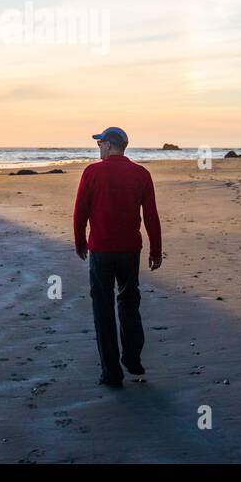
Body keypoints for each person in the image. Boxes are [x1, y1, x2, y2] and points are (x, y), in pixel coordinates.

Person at [72, 126, 163, 388]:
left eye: (100, 143)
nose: (98, 148)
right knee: (129, 302)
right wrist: (156, 250)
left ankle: (111, 373)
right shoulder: (141, 174)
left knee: (103, 309)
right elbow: (151, 216)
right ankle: (132, 359)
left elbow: (80, 212)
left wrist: (80, 241)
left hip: (101, 251)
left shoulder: (92, 172)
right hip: (129, 251)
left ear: (109, 145)